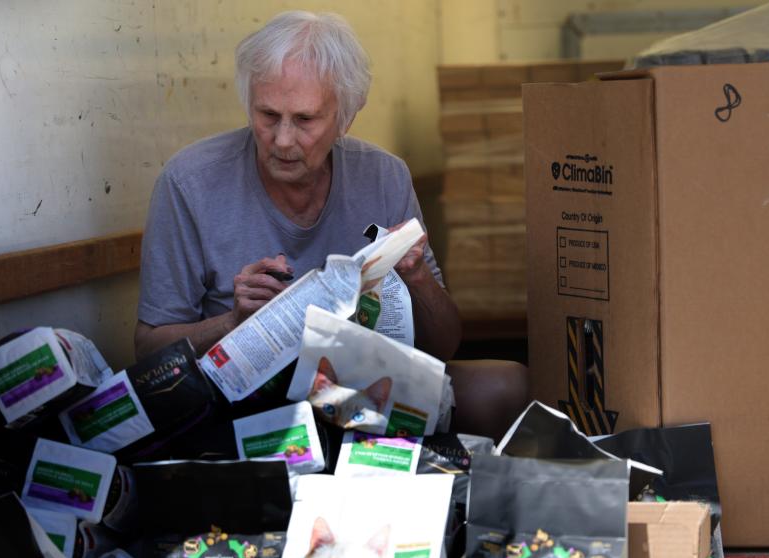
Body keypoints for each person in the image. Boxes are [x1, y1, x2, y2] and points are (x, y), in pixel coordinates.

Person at [134, 10, 527, 439]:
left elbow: (444, 345)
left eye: (304, 120)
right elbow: (149, 351)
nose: (283, 140)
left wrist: (416, 278)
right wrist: (231, 323)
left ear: (346, 116)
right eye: (268, 116)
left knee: (507, 386)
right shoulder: (190, 181)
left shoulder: (384, 176)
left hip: (361, 390)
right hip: (244, 401)